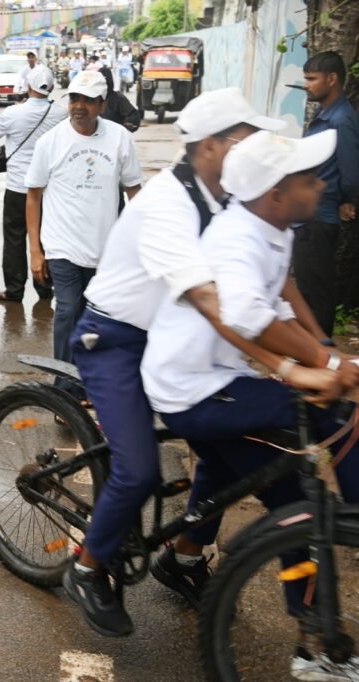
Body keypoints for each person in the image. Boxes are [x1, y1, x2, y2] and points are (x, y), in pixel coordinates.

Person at [63, 88, 302, 637]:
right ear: (214, 146)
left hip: (176, 344)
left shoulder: (228, 198)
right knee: (139, 469)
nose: (259, 148)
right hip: (118, 339)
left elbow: (265, 285)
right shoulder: (167, 203)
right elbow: (212, 301)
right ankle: (87, 568)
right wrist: (288, 366)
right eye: (249, 137)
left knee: (225, 450)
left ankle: (184, 556)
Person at [138, 133, 359, 676]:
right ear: (277, 193)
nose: (322, 184)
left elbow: (282, 289)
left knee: (238, 457)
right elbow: (248, 314)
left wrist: (324, 349)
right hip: (193, 387)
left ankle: (184, 556)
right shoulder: (237, 238)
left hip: (223, 374)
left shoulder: (275, 223)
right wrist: (324, 368)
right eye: (310, 179)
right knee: (319, 447)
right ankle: (315, 639)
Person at [25, 70, 143, 400]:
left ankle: (90, 384)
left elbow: (134, 190)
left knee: (99, 321)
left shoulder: (119, 138)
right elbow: (33, 195)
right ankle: (65, 394)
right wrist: (36, 250)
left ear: (102, 105)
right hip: (62, 245)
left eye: (88, 101)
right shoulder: (51, 142)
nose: (79, 106)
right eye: (74, 98)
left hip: (105, 249)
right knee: (67, 311)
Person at [294, 51, 359, 339]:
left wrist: (346, 199)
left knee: (316, 290)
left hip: (320, 214)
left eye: (312, 78)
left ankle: (321, 355)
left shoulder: (342, 120)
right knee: (308, 286)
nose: (306, 84)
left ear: (332, 79)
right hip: (311, 213)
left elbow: (351, 171)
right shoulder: (327, 116)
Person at [0, 66, 66, 305]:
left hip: (17, 188)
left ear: (28, 86)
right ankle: (45, 287)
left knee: (14, 239)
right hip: (47, 190)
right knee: (45, 238)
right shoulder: (61, 113)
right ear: (51, 88)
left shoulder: (13, 113)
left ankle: (14, 290)